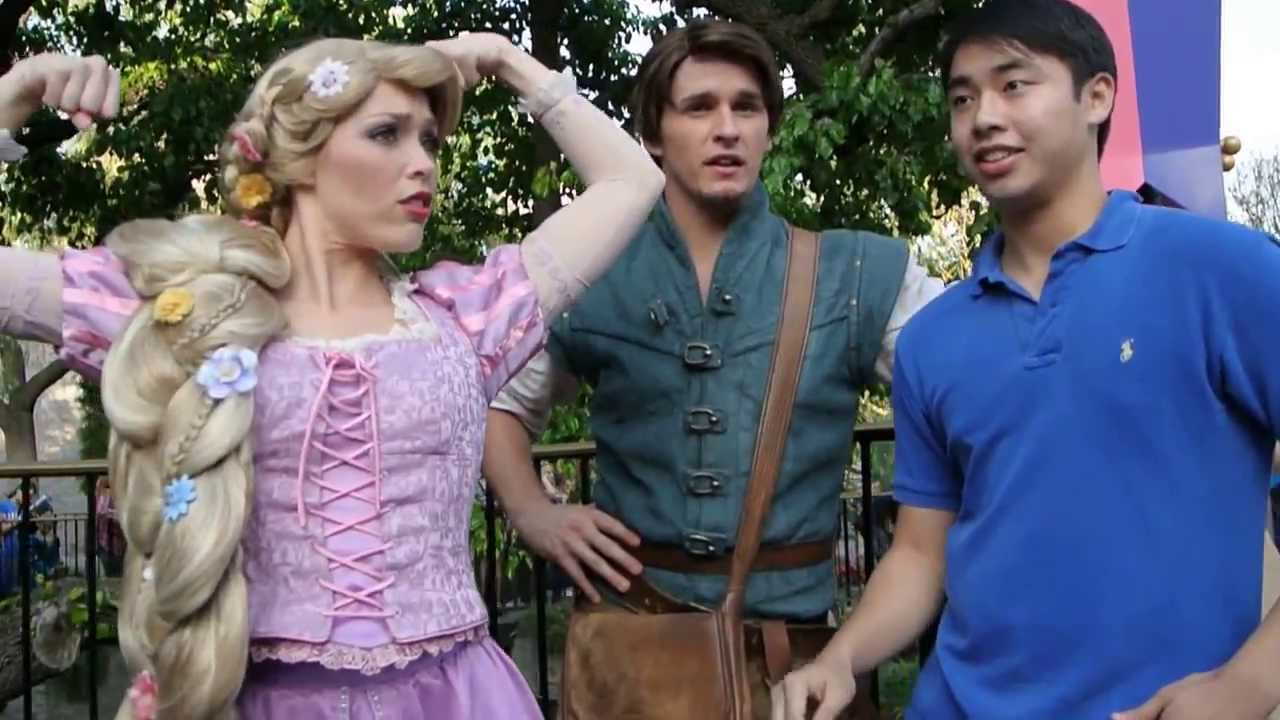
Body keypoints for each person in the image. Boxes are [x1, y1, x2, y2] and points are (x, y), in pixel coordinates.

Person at [0, 34, 662, 720]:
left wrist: (506, 60)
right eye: (386, 134)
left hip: (456, 698)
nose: (423, 164)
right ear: (300, 153)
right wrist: (15, 94)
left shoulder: (467, 318)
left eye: (430, 141)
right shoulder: (185, 314)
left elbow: (633, 181)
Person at [772, 1, 1280, 718]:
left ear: (1096, 96)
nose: (983, 116)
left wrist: (1245, 688)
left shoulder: (1224, 271)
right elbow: (920, 554)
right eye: (962, 98)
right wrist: (839, 659)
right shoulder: (932, 339)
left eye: (1014, 85)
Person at [482, 18, 942, 715]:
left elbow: (976, 392)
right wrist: (530, 512)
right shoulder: (591, 273)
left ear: (769, 129)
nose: (727, 129)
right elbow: (500, 400)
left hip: (794, 667)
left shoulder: (857, 274)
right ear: (653, 135)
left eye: (746, 107)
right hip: (629, 661)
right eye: (699, 108)